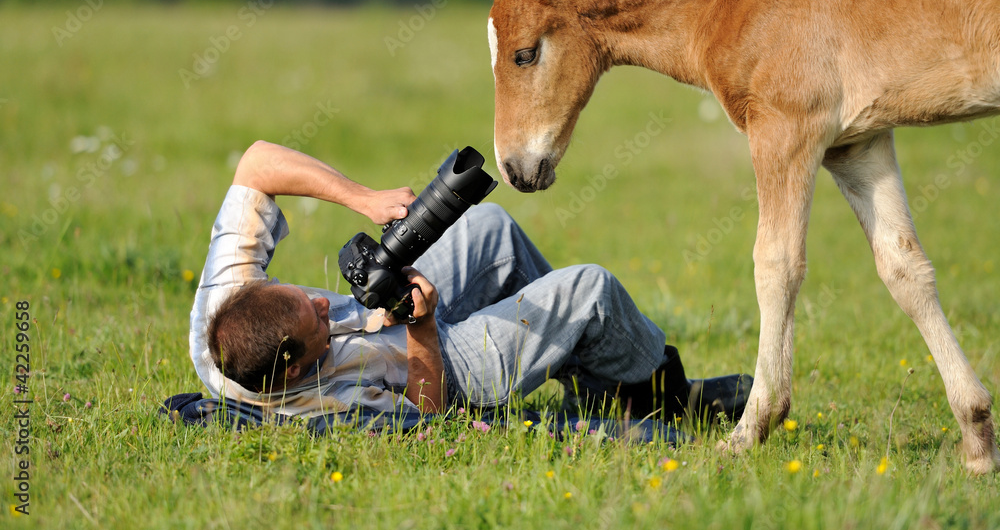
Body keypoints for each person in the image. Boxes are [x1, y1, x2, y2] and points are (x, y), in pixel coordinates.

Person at [189, 140, 751, 422]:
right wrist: (424, 328)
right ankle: (660, 397)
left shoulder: (226, 304)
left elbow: (257, 162)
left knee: (489, 226)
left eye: (303, 295)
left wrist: (363, 200)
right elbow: (426, 412)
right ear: (293, 367)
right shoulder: (322, 407)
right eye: (316, 317)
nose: (321, 302)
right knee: (590, 289)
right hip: (442, 367)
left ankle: (599, 386)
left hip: (390, 321)